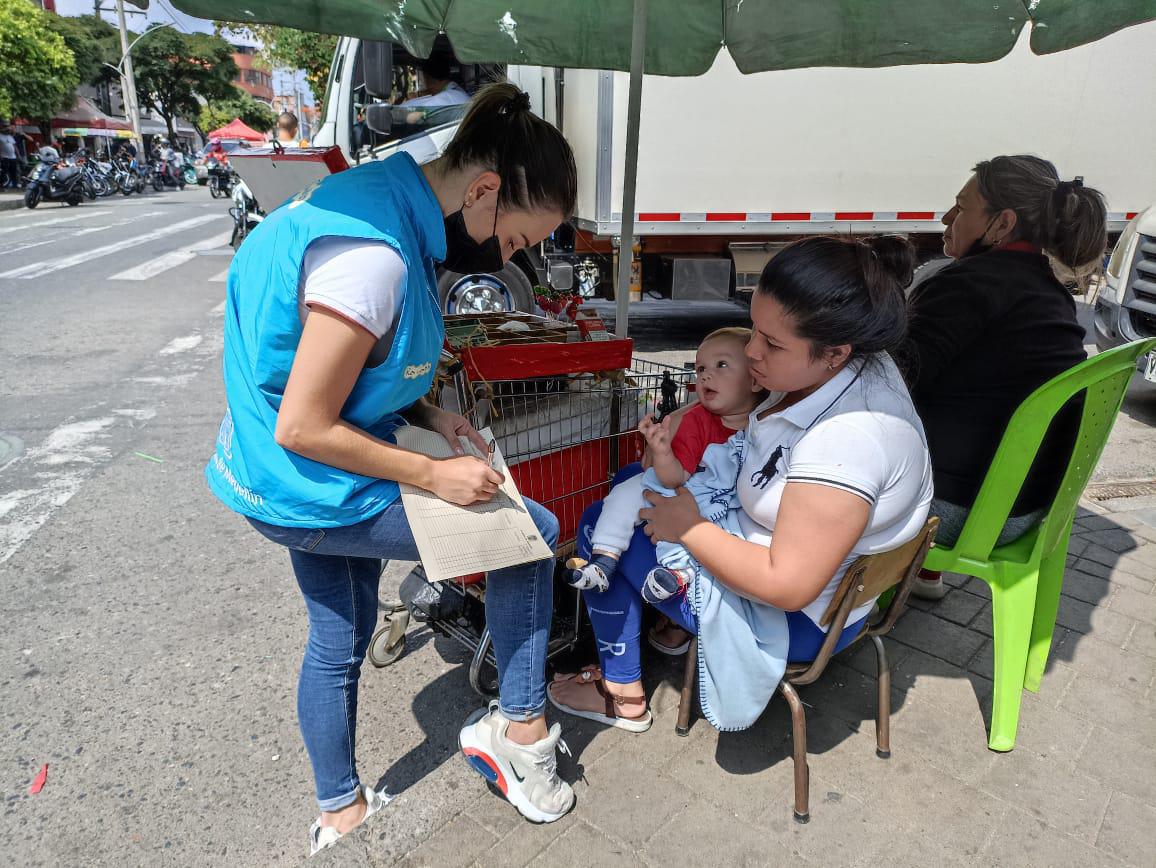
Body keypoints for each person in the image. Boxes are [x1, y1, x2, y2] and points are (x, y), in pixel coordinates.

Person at [204, 84, 578, 854]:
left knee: (340, 630)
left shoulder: (375, 200)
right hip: (308, 481)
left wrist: (433, 416)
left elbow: (355, 372)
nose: (512, 259)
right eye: (514, 243)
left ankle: (340, 810)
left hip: (274, 475)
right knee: (530, 533)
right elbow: (306, 423)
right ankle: (521, 728)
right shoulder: (374, 256)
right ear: (484, 191)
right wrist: (431, 474)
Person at [548, 236, 933, 731]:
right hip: (810, 573)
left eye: (772, 344)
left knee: (600, 519)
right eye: (754, 328)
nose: (751, 351)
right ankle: (667, 628)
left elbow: (786, 586)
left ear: (836, 352)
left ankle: (621, 691)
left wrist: (688, 528)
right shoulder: (860, 368)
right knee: (632, 481)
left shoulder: (848, 441)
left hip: (794, 620)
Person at [905, 156, 1105, 599]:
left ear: (1001, 223)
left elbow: (893, 383)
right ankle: (924, 575)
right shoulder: (1050, 294)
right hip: (1025, 510)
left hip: (956, 514)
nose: (946, 218)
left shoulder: (967, 284)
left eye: (961, 208)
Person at [565, 327, 763, 599]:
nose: (706, 374)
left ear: (756, 380)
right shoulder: (697, 420)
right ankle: (603, 561)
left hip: (722, 504)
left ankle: (678, 576)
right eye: (700, 367)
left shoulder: (766, 425)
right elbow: (674, 477)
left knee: (728, 530)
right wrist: (662, 451)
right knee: (623, 493)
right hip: (681, 488)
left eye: (722, 364)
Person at [402, 56, 471, 108]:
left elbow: (422, 109)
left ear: (429, 79)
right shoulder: (455, 92)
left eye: (424, 78)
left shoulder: (449, 97)